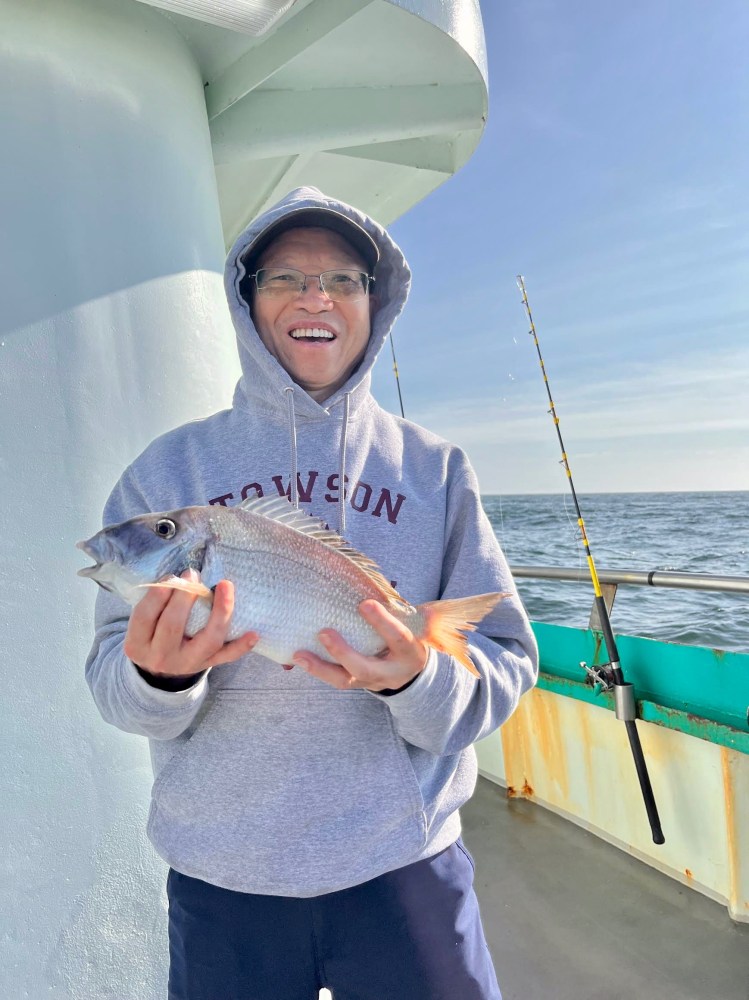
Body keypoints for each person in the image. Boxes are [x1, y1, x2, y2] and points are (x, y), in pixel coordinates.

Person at [85, 186, 538, 1000]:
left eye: (342, 279)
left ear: (377, 301)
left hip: (407, 861)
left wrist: (414, 676)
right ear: (246, 297)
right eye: (283, 277)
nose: (314, 296)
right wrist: (159, 679)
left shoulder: (436, 469)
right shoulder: (165, 474)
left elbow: (503, 663)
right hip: (222, 876)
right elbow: (116, 695)